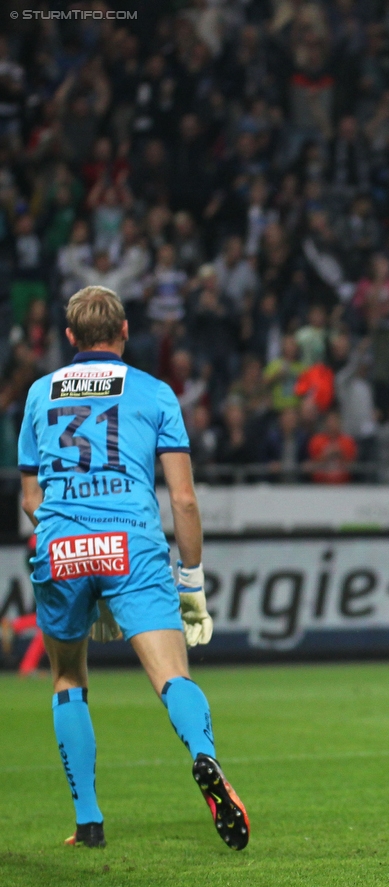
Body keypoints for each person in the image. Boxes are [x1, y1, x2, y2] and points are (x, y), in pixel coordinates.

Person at [18, 285, 248, 851]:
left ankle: (89, 821)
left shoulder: (39, 393)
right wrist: (191, 584)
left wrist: (78, 553)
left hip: (62, 546)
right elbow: (184, 500)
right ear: (124, 333)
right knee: (173, 676)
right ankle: (204, 757)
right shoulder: (155, 393)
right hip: (133, 546)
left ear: (69, 338)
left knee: (69, 678)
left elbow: (30, 498)